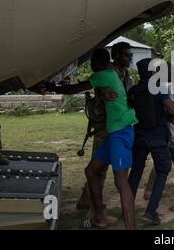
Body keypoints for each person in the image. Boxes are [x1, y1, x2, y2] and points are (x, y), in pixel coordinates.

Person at [44, 49, 138, 229]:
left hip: (122, 132)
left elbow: (75, 89)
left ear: (96, 63)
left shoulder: (102, 74)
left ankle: (131, 227)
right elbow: (103, 92)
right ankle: (98, 217)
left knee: (121, 182)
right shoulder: (110, 74)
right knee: (91, 171)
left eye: (92, 62)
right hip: (114, 132)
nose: (91, 66)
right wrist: (102, 95)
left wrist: (52, 87)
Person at [76, 42, 134, 212]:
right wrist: (101, 94)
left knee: (99, 167)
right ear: (115, 56)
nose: (129, 58)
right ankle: (94, 209)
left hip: (118, 125)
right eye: (126, 54)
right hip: (105, 126)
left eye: (130, 54)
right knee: (98, 169)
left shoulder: (124, 73)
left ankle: (86, 200)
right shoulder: (107, 72)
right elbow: (95, 88)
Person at [127, 58, 174, 225]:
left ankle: (127, 207)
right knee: (163, 170)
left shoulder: (133, 90)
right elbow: (171, 108)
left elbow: (130, 107)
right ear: (151, 72)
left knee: (135, 172)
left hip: (139, 136)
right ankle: (151, 211)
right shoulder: (159, 88)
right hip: (157, 136)